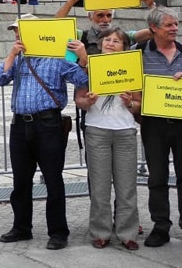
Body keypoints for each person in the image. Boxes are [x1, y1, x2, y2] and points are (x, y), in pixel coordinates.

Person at [0, 21, 89, 250]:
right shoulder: (18, 59)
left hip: (47, 124)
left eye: (20, 31)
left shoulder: (56, 58)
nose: (17, 35)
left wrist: (83, 58)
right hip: (19, 125)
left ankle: (58, 231)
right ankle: (21, 227)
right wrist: (11, 55)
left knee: (53, 180)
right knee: (20, 181)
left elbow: (83, 80)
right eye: (15, 32)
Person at [73, 27, 140, 250]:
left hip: (125, 131)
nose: (111, 43)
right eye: (107, 40)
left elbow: (139, 103)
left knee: (127, 186)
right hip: (97, 130)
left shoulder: (131, 67)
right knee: (100, 187)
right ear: (100, 44)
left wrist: (130, 102)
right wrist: (88, 102)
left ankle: (128, 233)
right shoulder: (89, 67)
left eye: (116, 41)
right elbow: (79, 100)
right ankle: (101, 232)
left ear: (124, 46)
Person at [137, 6, 182, 248]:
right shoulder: (139, 53)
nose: (175, 28)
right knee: (157, 177)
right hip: (154, 124)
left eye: (176, 24)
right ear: (153, 28)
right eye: (169, 25)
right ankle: (161, 226)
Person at [55, 0, 155, 51]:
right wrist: (72, 1)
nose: (106, 20)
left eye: (109, 15)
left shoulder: (123, 36)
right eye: (100, 15)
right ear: (90, 17)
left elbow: (154, 32)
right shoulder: (80, 36)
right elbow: (55, 25)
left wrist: (151, 5)